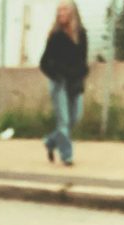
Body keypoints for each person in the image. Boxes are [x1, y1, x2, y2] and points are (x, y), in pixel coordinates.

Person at [40, 0, 88, 167]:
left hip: (75, 82)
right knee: (64, 121)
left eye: (64, 9)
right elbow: (44, 63)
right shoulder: (55, 36)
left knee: (76, 118)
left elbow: (83, 60)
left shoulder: (81, 34)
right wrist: (56, 76)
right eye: (59, 10)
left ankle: (50, 141)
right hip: (59, 82)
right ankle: (67, 156)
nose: (61, 13)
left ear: (72, 12)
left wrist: (83, 73)